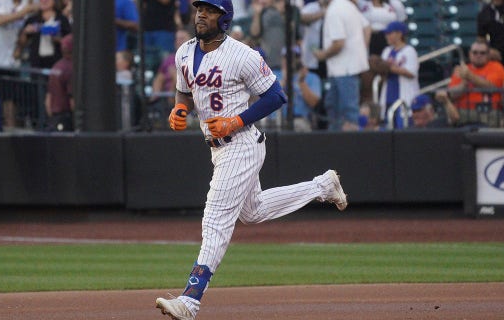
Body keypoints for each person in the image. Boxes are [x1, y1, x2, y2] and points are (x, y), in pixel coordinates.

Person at [154, 0, 348, 318]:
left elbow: (276, 96)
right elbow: (184, 90)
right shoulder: (184, 52)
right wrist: (179, 109)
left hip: (241, 143)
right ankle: (322, 187)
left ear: (225, 17)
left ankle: (190, 299)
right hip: (218, 148)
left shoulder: (243, 54)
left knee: (215, 220)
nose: (201, 14)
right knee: (253, 211)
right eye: (199, 7)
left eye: (210, 9)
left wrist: (236, 120)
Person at [314, 0, 371, 131]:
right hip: (343, 69)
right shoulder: (347, 5)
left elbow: (339, 43)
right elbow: (367, 27)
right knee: (333, 108)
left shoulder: (334, 11)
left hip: (343, 69)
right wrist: (361, 49)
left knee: (347, 113)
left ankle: (350, 147)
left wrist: (322, 55)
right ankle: (336, 144)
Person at [437, 40, 504, 127]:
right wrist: (463, 84)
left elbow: (491, 87)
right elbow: (452, 94)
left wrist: (469, 76)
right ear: (470, 54)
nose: (478, 55)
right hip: (462, 113)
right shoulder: (463, 69)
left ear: (488, 55)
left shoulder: (496, 67)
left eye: (482, 53)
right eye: (475, 52)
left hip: (488, 112)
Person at [378, 21, 419, 126]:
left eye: (390, 33)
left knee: (403, 128)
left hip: (405, 96)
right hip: (388, 95)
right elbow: (382, 72)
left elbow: (411, 73)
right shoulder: (386, 51)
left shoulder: (409, 51)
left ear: (399, 34)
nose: (387, 36)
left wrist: (389, 67)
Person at [16, 0, 72, 69]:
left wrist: (56, 38)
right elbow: (21, 44)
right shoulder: (32, 19)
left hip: (56, 62)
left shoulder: (62, 19)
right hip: (36, 63)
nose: (44, 1)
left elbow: (69, 42)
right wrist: (25, 32)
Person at [279, 46, 323, 132]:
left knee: (298, 125)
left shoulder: (311, 77)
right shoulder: (274, 75)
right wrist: (285, 79)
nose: (291, 60)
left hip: (301, 120)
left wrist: (302, 81)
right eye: (287, 57)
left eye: (295, 57)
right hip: (278, 121)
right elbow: (269, 98)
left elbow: (313, 103)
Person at [45, 34, 73, 132]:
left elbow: (48, 98)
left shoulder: (56, 66)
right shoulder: (71, 69)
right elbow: (72, 99)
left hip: (54, 117)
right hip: (67, 117)